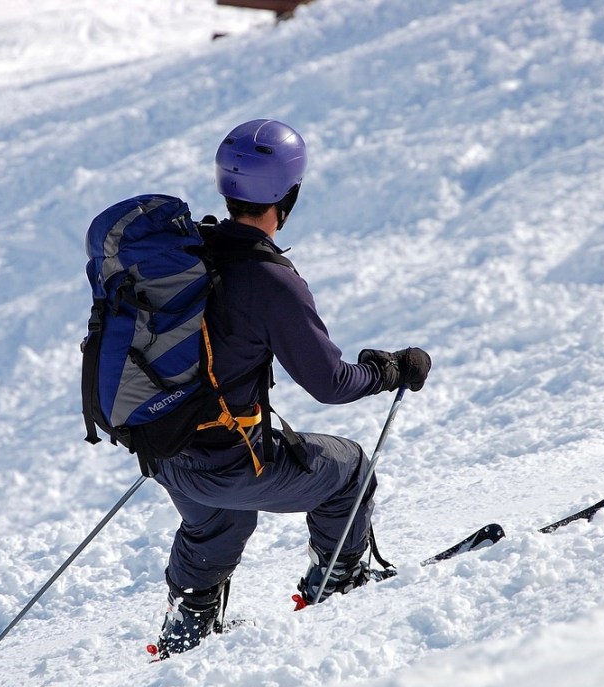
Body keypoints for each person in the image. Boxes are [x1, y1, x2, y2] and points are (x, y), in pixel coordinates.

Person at [149, 119, 431, 658]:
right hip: (222, 459)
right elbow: (330, 383)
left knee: (222, 516)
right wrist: (389, 370)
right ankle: (339, 582)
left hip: (165, 449)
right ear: (290, 195)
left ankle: (188, 621)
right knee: (348, 469)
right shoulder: (269, 279)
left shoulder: (189, 257)